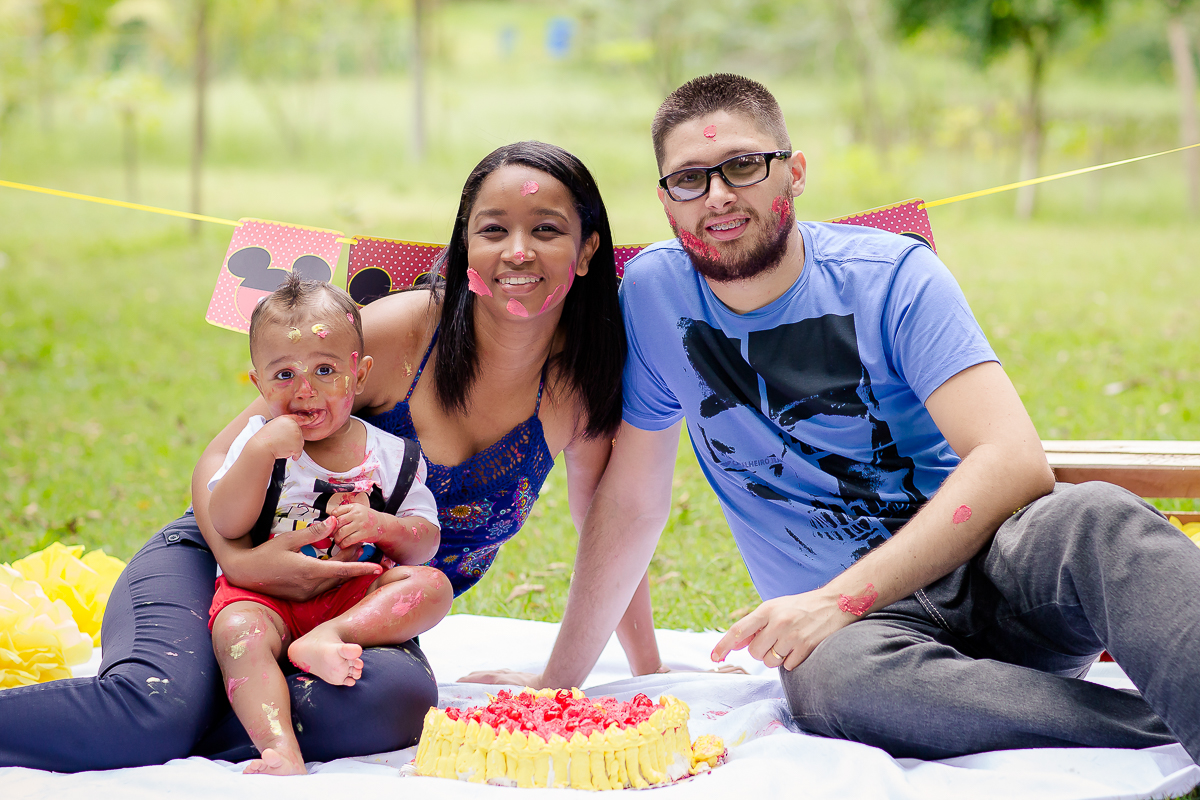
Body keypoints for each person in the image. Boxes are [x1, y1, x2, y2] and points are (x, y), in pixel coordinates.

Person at [472, 74, 1200, 763]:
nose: (718, 196)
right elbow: (630, 503)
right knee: (826, 682)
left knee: (1097, 517)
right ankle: (1153, 733)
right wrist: (558, 682)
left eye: (744, 166)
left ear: (795, 171)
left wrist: (836, 598)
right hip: (865, 644)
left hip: (993, 575)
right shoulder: (655, 297)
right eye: (690, 178)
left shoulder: (893, 277)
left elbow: (1011, 458)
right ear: (666, 202)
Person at [0, 141, 662, 772]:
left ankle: (219, 702)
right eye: (493, 230)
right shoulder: (395, 334)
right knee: (157, 707)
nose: (517, 251)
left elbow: (611, 528)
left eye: (545, 229)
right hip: (218, 565)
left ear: (586, 249)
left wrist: (639, 667)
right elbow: (219, 457)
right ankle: (165, 706)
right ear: (465, 248)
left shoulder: (581, 388)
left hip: (348, 615)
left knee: (393, 706)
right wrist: (240, 559)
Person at [206, 275, 450, 775]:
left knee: (432, 585)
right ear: (257, 383)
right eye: (283, 375)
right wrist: (256, 455)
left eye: (324, 370)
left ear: (359, 376)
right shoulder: (255, 442)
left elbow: (425, 541)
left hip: (352, 600)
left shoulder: (388, 454)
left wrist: (382, 525)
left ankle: (326, 638)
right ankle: (280, 749)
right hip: (267, 598)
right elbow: (226, 522)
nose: (304, 390)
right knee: (236, 630)